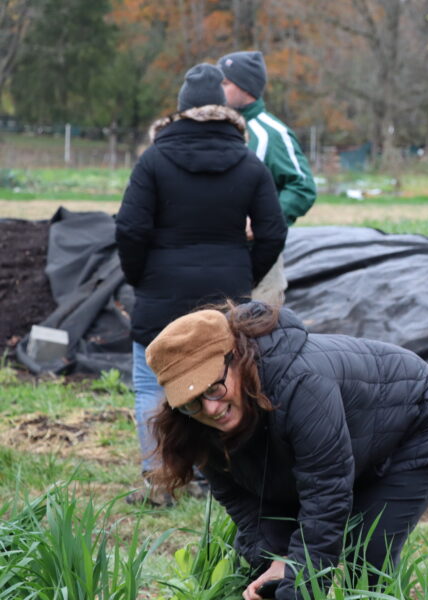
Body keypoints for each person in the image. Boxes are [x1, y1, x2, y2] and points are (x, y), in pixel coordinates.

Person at [144, 301, 428, 599]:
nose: (211, 409)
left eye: (214, 388)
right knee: (268, 564)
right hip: (352, 439)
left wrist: (297, 584)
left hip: (417, 423)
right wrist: (280, 559)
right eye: (191, 402)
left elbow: (325, 495)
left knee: (367, 554)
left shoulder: (301, 384)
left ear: (237, 358)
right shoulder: (194, 426)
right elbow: (243, 501)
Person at [116, 63, 286, 507]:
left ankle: (161, 482)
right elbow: (273, 232)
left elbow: (130, 228)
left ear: (180, 110)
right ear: (224, 109)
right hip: (224, 298)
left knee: (152, 384)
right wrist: (245, 277)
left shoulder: (154, 160)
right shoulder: (248, 164)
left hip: (160, 291)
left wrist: (140, 276)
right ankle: (222, 479)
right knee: (225, 380)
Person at [217, 50, 317, 307]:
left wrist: (266, 221)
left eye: (225, 83)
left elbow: (302, 186)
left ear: (246, 87)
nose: (219, 88)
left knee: (257, 328)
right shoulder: (216, 129)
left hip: (260, 261)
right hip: (218, 258)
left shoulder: (271, 133)